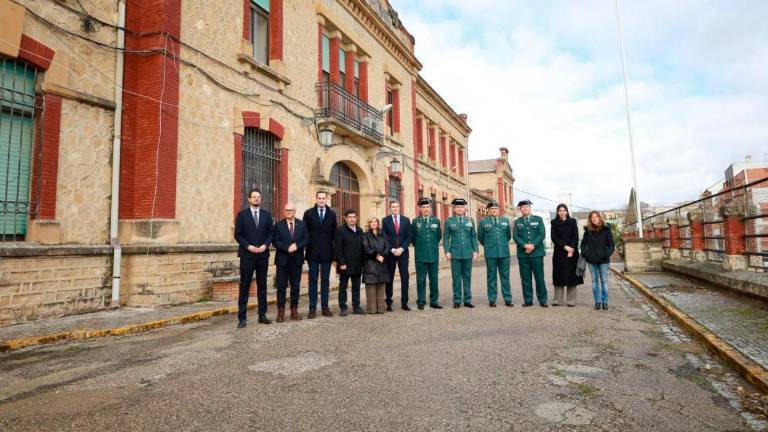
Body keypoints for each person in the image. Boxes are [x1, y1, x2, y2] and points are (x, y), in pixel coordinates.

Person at [233, 188, 273, 328]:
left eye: (258, 197)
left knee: (262, 286)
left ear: (261, 199)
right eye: (254, 197)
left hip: (262, 255)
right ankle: (242, 318)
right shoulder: (242, 215)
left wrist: (265, 245)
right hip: (247, 255)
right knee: (245, 286)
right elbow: (237, 235)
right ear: (249, 199)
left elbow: (271, 233)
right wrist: (248, 246)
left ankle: (262, 315)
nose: (256, 199)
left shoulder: (266, 215)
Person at [303, 191, 337, 319]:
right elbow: (304, 232)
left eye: (324, 198)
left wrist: (335, 255)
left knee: (325, 280)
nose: (322, 200)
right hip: (312, 253)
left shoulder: (332, 214)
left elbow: (335, 235)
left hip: (327, 253)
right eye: (319, 198)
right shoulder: (308, 213)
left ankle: (325, 307)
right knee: (312, 280)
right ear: (316, 199)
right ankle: (312, 308)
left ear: (326, 199)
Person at [272, 203, 309, 322]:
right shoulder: (278, 225)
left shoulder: (302, 224)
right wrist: (287, 247)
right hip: (282, 260)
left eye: (291, 210)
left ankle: (294, 310)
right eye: (287, 210)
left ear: (295, 211)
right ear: (284, 211)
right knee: (281, 287)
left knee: (295, 287)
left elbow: (306, 239)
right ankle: (281, 312)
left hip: (296, 260)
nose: (289, 211)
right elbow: (275, 241)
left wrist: (297, 246)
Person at [443, 198, 479, 308]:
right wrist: (447, 251)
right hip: (455, 253)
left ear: (465, 208)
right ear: (454, 209)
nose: (460, 209)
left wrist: (476, 250)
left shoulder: (470, 220)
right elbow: (446, 237)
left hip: (468, 253)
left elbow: (474, 236)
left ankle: (467, 300)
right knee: (456, 277)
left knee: (467, 277)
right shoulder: (449, 221)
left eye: (462, 207)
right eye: (458, 207)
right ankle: (457, 300)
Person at [512, 200, 548, 308]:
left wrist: (532, 245)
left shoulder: (538, 219)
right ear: (520, 209)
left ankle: (543, 300)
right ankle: (528, 300)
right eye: (522, 207)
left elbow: (542, 234)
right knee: (525, 278)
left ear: (530, 208)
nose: (525, 209)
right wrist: (525, 246)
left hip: (536, 253)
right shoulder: (517, 221)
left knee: (539, 278)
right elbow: (515, 236)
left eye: (526, 207)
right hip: (523, 255)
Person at [477, 201, 513, 307]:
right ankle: (492, 299)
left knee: (505, 277)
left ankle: (508, 299)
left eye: (495, 209)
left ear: (498, 210)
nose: (494, 210)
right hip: (491, 253)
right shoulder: (483, 222)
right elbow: (481, 237)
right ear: (488, 210)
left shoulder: (505, 220)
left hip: (504, 253)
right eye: (492, 209)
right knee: (491, 277)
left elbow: (508, 236)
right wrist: (488, 246)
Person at [382, 201, 413, 311]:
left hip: (403, 253)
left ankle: (404, 303)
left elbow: (409, 236)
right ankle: (388, 302)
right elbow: (384, 237)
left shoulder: (406, 220)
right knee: (389, 278)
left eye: (397, 206)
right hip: (390, 254)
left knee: (405, 277)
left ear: (399, 207)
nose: (395, 208)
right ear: (390, 208)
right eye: (393, 207)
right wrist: (392, 249)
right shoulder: (385, 221)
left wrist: (401, 248)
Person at [412, 197, 443, 310]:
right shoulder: (415, 222)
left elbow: (438, 236)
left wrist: (431, 246)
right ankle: (421, 301)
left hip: (433, 255)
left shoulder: (436, 221)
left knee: (434, 280)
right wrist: (421, 247)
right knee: (420, 280)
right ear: (420, 209)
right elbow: (413, 239)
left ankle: (434, 301)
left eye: (428, 207)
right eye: (424, 207)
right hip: (420, 255)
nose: (426, 209)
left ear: (430, 208)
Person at [550, 204, 583, 307]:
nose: (562, 212)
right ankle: (558, 300)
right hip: (559, 252)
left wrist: (571, 248)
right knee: (559, 275)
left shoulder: (572, 221)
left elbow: (575, 236)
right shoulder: (554, 222)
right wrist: (565, 247)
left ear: (567, 212)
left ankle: (571, 301)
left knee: (572, 276)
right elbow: (554, 237)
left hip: (572, 253)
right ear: (557, 212)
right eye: (560, 210)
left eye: (564, 210)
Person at [581, 211, 615, 310]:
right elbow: (583, 244)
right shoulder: (587, 230)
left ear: (599, 218)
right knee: (594, 281)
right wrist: (585, 254)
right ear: (590, 219)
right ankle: (597, 302)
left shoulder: (606, 229)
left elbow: (612, 245)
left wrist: (606, 254)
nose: (594, 218)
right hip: (591, 260)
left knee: (604, 281)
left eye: (596, 217)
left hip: (603, 260)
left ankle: (605, 302)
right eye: (592, 217)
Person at [334, 209, 365, 316]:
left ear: (357, 218)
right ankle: (343, 307)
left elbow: (362, 247)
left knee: (356, 286)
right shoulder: (340, 230)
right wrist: (341, 262)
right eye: (349, 217)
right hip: (345, 264)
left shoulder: (360, 230)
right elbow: (337, 248)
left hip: (357, 264)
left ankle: (356, 307)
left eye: (353, 217)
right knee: (343, 286)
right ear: (345, 218)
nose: (352, 219)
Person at [362, 216, 390, 314]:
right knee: (371, 287)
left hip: (382, 262)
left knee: (381, 287)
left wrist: (383, 255)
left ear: (378, 223)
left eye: (375, 221)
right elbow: (365, 247)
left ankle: (381, 309)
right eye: (371, 222)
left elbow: (387, 246)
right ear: (368, 224)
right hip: (370, 263)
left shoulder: (383, 234)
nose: (374, 223)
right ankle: (372, 310)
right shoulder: (365, 235)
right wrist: (376, 256)